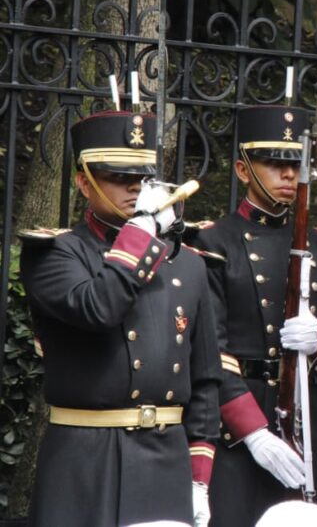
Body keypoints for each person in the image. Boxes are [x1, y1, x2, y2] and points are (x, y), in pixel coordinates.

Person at [19, 110, 221, 527]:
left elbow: (204, 379)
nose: (133, 187)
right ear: (83, 181)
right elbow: (98, 308)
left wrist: (199, 478)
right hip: (84, 458)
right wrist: (142, 233)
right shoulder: (55, 254)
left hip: (166, 460)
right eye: (116, 176)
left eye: (143, 178)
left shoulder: (188, 265)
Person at [191, 105, 317, 526]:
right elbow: (209, 350)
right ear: (243, 170)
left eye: (295, 164)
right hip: (239, 416)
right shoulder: (213, 242)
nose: (287, 175)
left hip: (304, 411)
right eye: (275, 163)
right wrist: (252, 431)